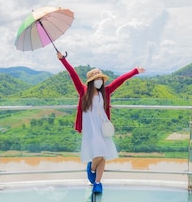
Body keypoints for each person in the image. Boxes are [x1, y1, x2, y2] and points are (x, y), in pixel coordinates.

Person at [57, 51, 145, 193]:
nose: (101, 82)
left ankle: (97, 182)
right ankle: (92, 168)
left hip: (102, 127)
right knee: (99, 152)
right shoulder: (83, 91)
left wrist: (134, 71)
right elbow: (72, 73)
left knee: (103, 154)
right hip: (90, 128)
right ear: (92, 81)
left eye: (101, 79)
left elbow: (120, 80)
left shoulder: (106, 91)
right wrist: (63, 60)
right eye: (98, 79)